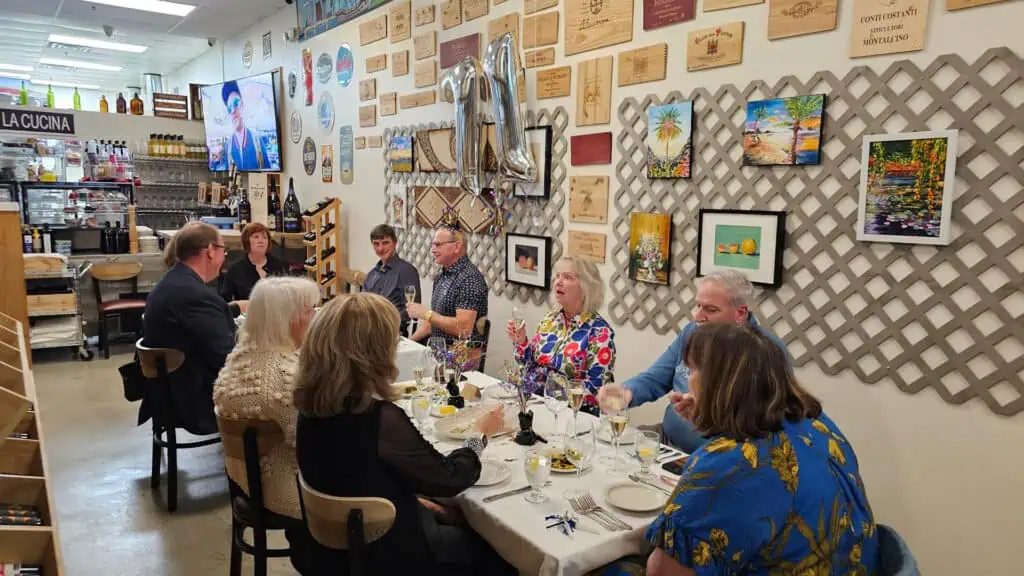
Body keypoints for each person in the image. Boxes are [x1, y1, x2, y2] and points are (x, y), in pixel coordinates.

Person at [593, 323, 878, 576]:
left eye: (692, 371)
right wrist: (717, 422)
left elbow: (662, 571)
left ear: (721, 385)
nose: (689, 378)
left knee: (599, 563)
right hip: (851, 563)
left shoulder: (727, 463)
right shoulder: (819, 426)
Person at [292, 293, 513, 575]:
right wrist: (478, 436)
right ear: (372, 352)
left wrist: (414, 501)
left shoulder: (310, 406)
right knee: (501, 553)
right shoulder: (379, 419)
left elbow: (356, 477)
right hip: (388, 557)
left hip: (330, 553)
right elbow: (452, 477)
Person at [597, 270, 788, 453]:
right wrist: (627, 393)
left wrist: (703, 413)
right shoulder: (692, 332)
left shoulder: (765, 353)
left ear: (740, 313)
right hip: (666, 438)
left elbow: (758, 432)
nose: (697, 316)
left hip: (714, 456)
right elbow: (656, 378)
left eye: (710, 310)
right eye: (698, 306)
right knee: (601, 450)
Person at [213, 276, 318, 567]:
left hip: (245, 482)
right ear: (290, 319)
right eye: (310, 310)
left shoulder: (240, 357)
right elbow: (312, 446)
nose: (315, 317)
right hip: (285, 492)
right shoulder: (283, 375)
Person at [141, 222, 234, 436]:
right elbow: (227, 358)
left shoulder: (175, 281)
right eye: (223, 251)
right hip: (194, 400)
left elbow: (198, 323)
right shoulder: (195, 295)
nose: (224, 257)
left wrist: (235, 309)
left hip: (169, 390)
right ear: (210, 251)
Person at [506, 257, 615, 410]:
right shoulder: (550, 319)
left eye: (568, 277)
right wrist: (521, 341)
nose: (558, 281)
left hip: (570, 415)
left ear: (586, 287)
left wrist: (549, 392)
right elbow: (527, 364)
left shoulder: (600, 333)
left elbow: (595, 393)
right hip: (533, 404)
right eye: (557, 276)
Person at [407, 225, 488, 345]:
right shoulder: (441, 276)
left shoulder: (469, 279)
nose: (433, 250)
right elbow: (432, 323)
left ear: (456, 246)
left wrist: (426, 314)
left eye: (438, 245)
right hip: (436, 350)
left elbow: (464, 330)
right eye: (433, 245)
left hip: (460, 358)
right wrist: (408, 343)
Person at [362, 224, 420, 334]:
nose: (381, 248)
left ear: (394, 243)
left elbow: (412, 310)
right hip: (368, 331)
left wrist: (384, 322)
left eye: (385, 243)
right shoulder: (371, 274)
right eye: (376, 244)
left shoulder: (407, 271)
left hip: (393, 333)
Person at [219, 222, 287, 303]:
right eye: (256, 237)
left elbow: (288, 296)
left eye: (265, 237)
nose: (261, 241)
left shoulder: (279, 265)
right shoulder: (235, 269)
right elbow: (225, 301)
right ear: (247, 241)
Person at [221, 80, 266, 171]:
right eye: (229, 108)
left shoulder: (257, 141)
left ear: (242, 105)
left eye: (235, 104)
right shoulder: (228, 148)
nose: (233, 111)